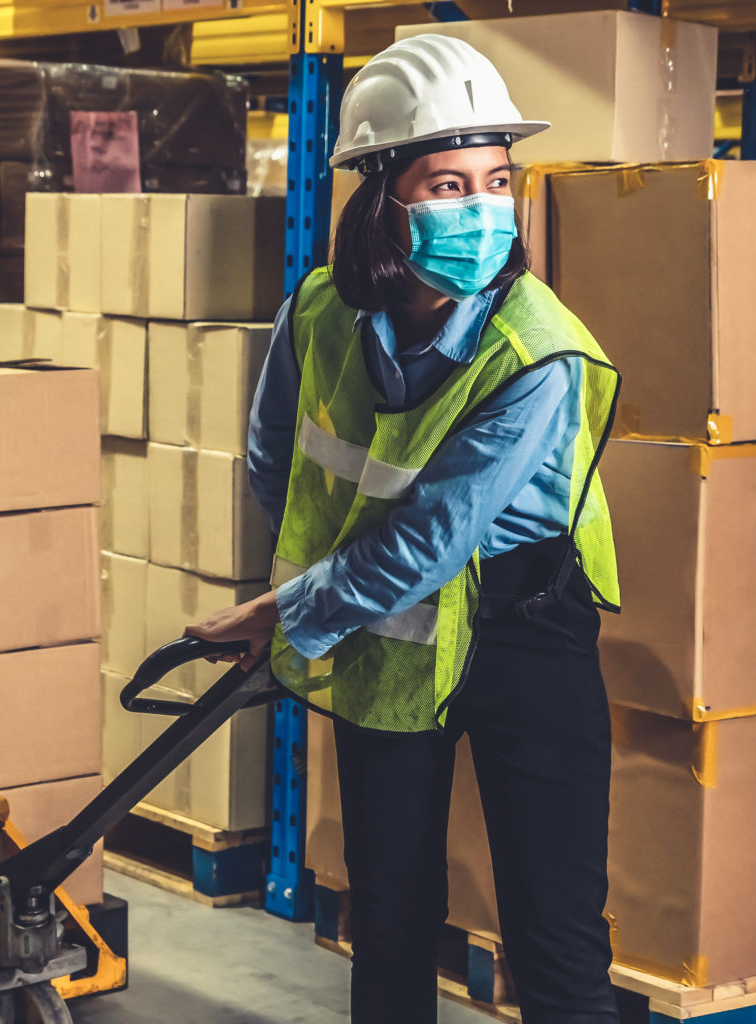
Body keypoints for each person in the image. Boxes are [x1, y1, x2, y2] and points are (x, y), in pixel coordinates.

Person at [186, 34, 622, 1024]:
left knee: (554, 940)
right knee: (387, 920)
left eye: (497, 179)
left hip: (525, 631)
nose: (481, 208)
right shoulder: (316, 313)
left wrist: (288, 607)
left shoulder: (536, 351)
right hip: (387, 632)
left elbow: (433, 533)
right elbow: (277, 467)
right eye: (447, 182)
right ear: (380, 194)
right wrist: (316, 600)